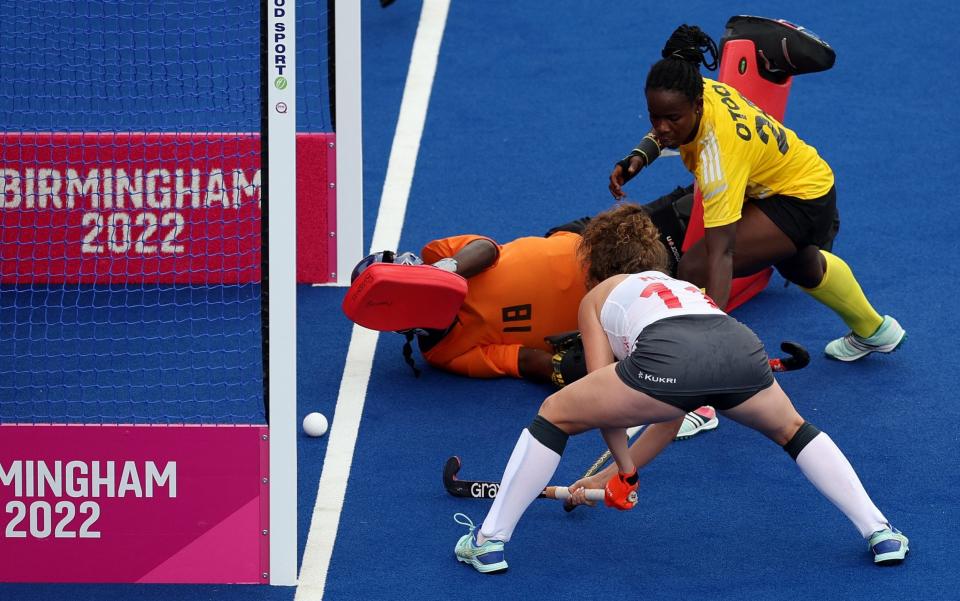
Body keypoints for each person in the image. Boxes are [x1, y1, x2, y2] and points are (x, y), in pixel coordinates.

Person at [451, 204, 909, 574]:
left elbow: (598, 399)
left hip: (670, 358)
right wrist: (611, 476)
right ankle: (880, 530)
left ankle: (489, 542)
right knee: (793, 429)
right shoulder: (679, 285)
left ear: (594, 263)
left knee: (555, 411)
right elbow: (667, 416)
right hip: (738, 346)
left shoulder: (596, 296)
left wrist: (625, 471)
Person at [608, 24, 904, 362]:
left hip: (800, 198)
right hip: (800, 178)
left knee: (695, 266)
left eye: (671, 118)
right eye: (654, 116)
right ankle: (876, 331)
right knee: (801, 267)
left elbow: (722, 255)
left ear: (696, 106)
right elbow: (667, 120)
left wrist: (707, 342)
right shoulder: (692, 88)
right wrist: (641, 154)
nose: (661, 127)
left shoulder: (717, 157)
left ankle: (699, 382)